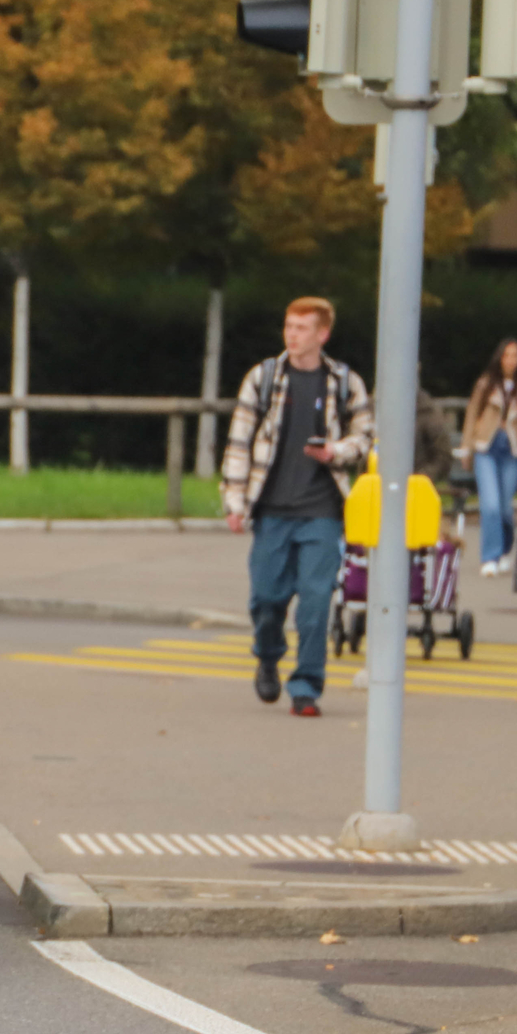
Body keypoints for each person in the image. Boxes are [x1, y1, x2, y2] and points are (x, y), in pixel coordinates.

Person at [220, 296, 375, 718]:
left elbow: (365, 436)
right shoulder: (265, 377)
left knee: (315, 603)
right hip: (271, 509)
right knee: (266, 599)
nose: (292, 334)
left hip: (323, 511)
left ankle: (306, 688)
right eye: (288, 326)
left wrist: (336, 451)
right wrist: (234, 501)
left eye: (302, 328)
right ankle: (268, 656)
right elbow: (239, 440)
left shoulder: (345, 382)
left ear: (322, 334)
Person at [458, 339, 517, 577]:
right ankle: (490, 557)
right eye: (506, 355)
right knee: (490, 504)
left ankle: (505, 548)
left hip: (511, 449)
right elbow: (472, 413)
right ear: (499, 358)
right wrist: (466, 447)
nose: (511, 360)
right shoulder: (486, 383)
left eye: (515, 356)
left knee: (505, 508)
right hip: (486, 447)